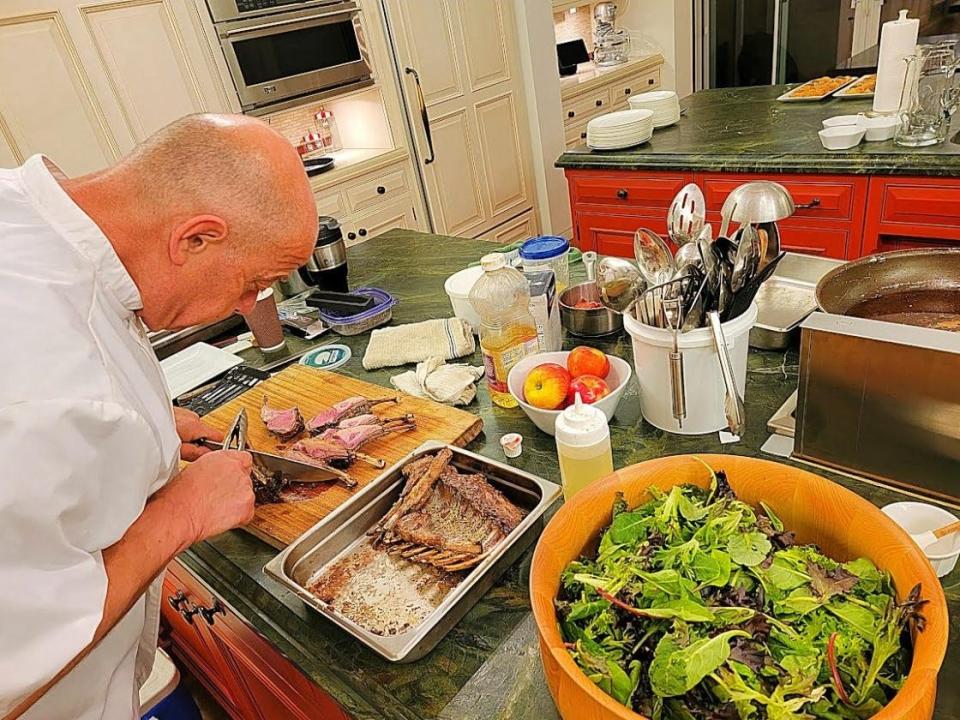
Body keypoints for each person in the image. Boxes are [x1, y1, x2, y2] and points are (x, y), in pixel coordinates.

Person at [0, 114, 319, 719]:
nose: (252, 305)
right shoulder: (50, 395)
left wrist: (153, 419)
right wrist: (182, 512)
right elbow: (11, 663)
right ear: (194, 238)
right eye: (257, 281)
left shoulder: (27, 208)